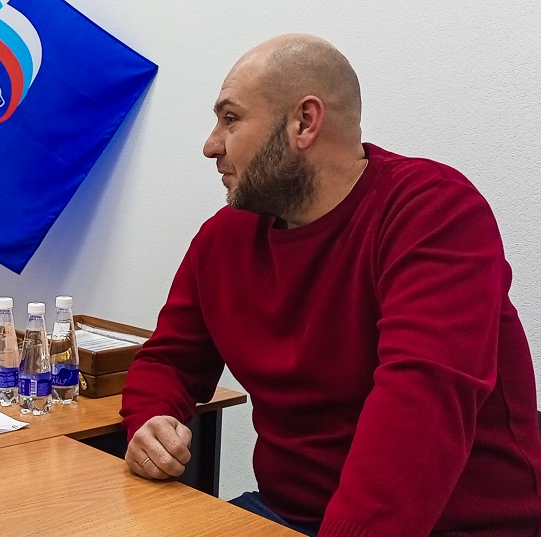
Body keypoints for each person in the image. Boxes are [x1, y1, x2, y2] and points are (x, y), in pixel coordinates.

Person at [120, 35, 541, 536]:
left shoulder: (433, 212)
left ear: (304, 122)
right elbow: (169, 361)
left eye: (230, 119)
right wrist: (150, 419)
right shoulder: (224, 239)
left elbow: (419, 408)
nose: (211, 145)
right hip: (288, 516)